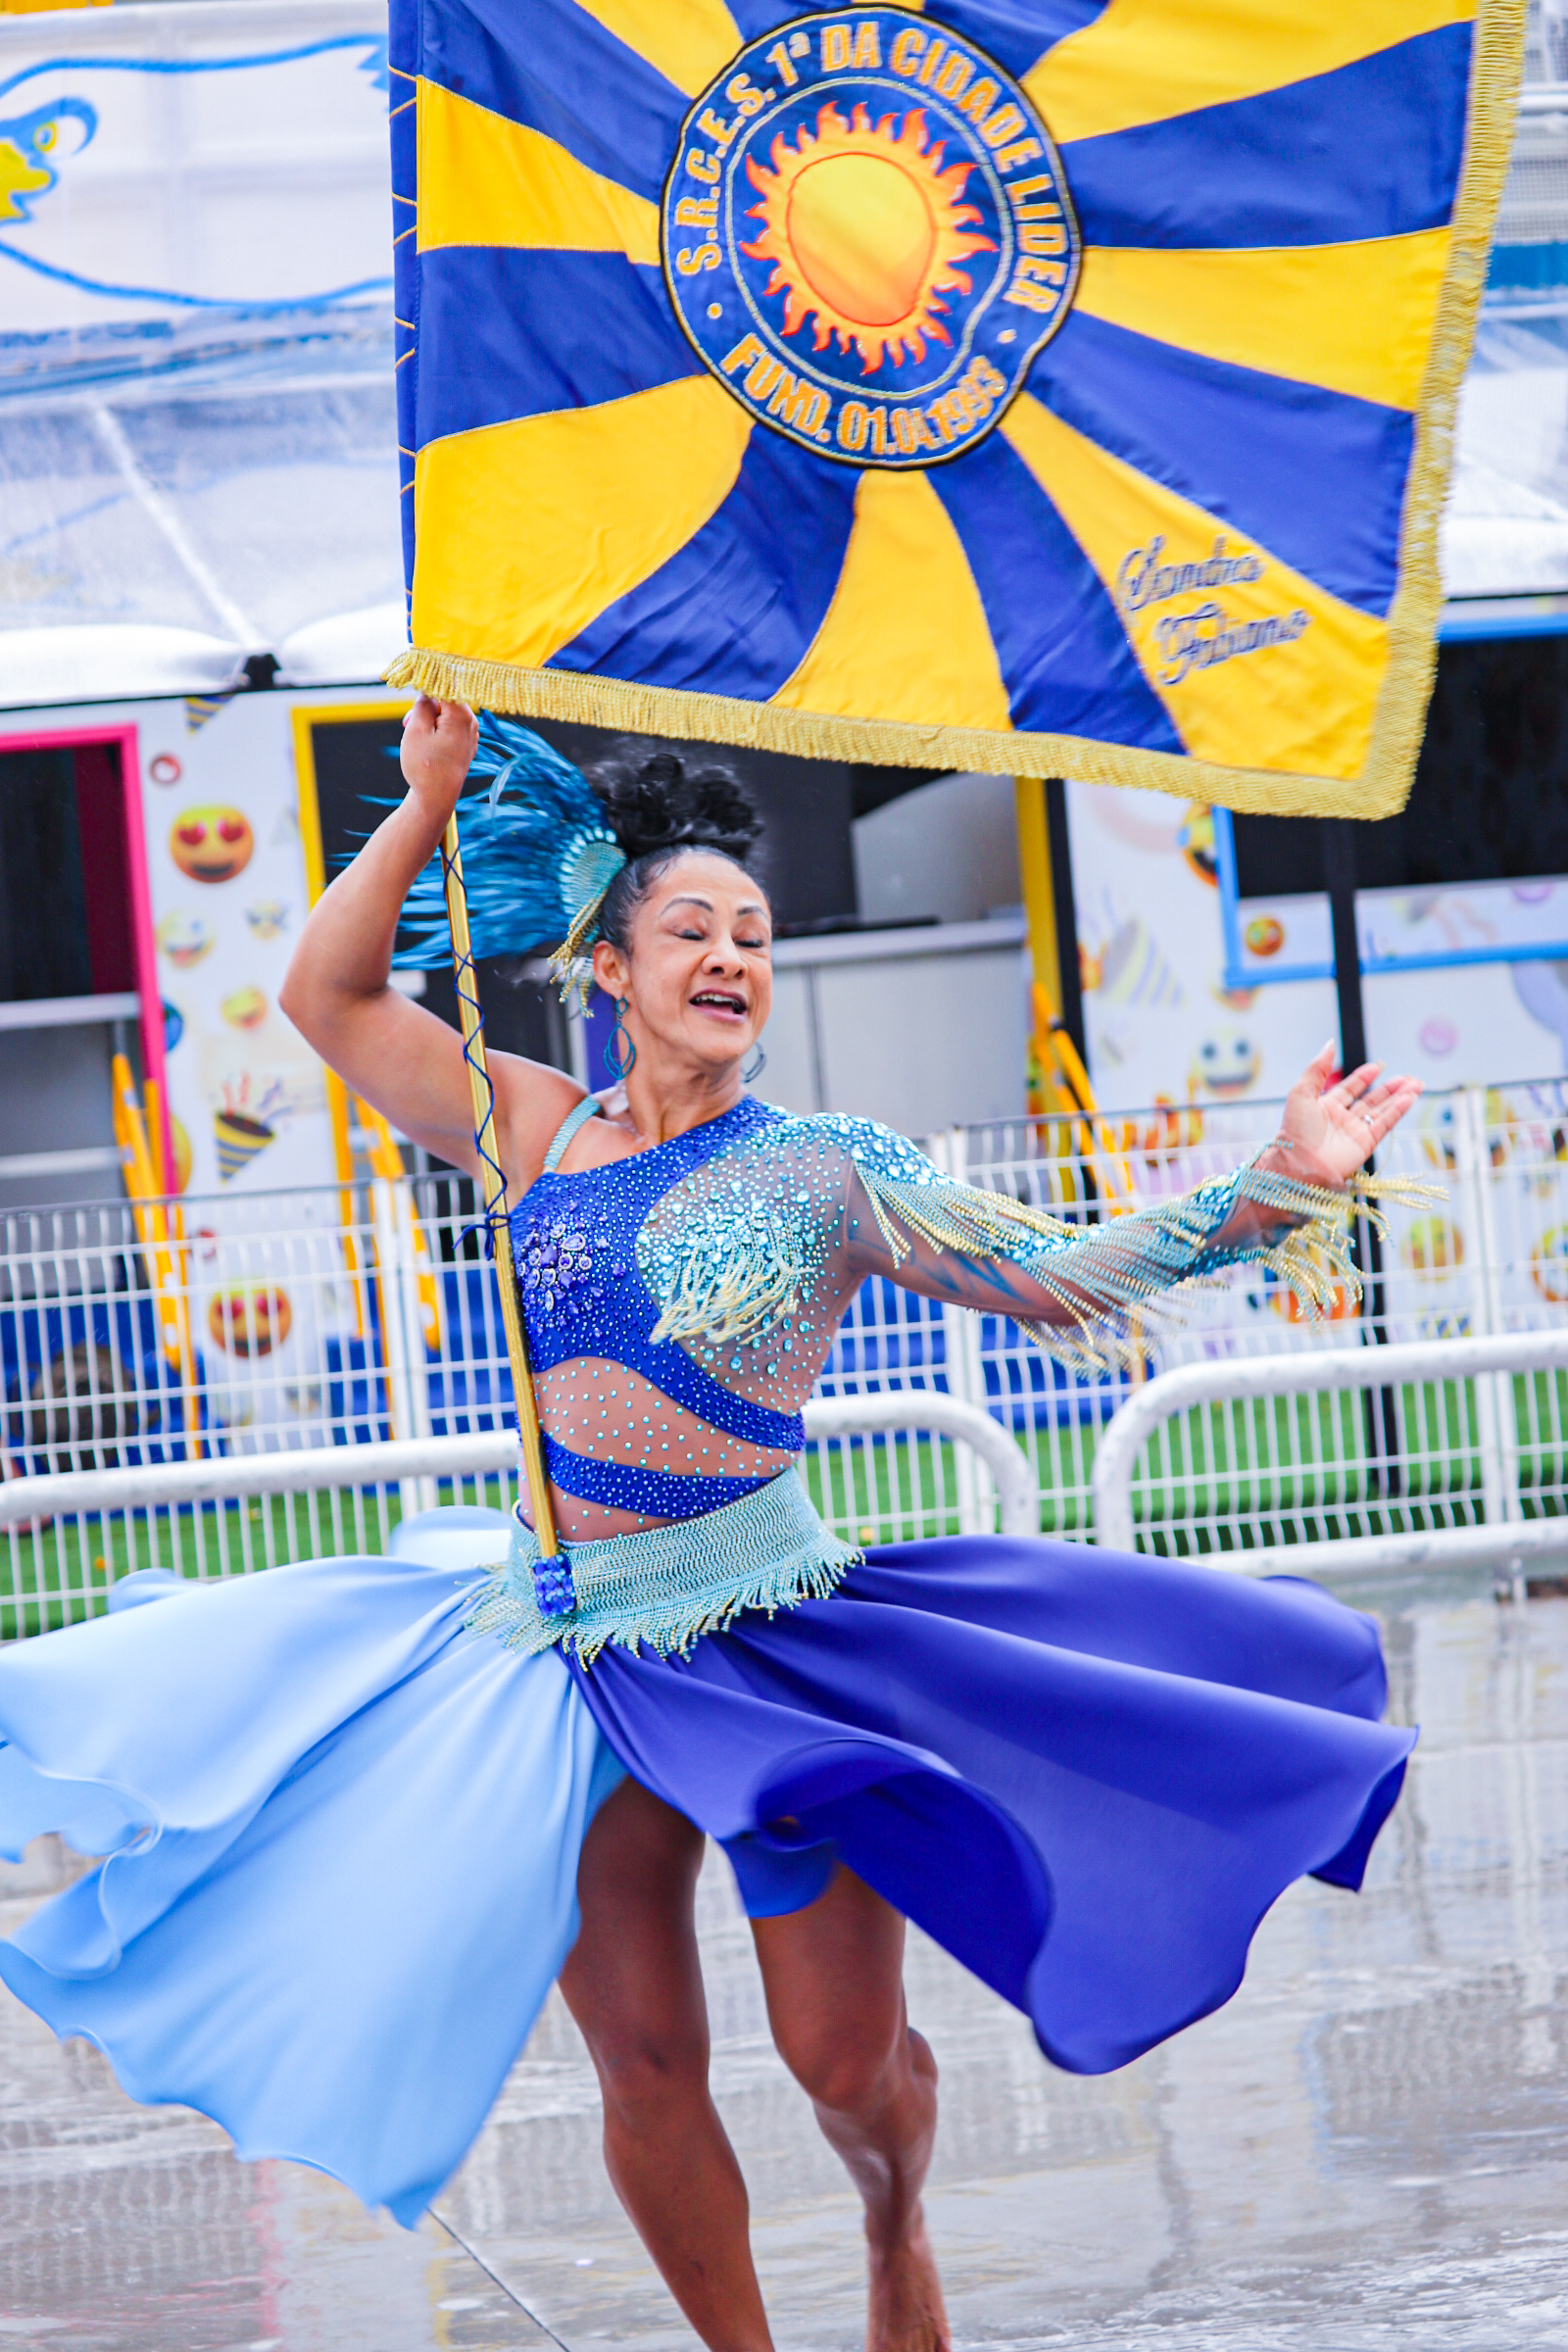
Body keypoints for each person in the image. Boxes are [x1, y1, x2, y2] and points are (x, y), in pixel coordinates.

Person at [0, 697, 1423, 2352]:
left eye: (752, 932)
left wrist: (1274, 1186)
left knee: (842, 2063)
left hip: (770, 1645)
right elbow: (328, 995)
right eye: (689, 929)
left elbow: (1058, 1277)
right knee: (644, 2060)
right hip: (572, 1659)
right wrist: (427, 800)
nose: (731, 953)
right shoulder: (527, 1125)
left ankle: (895, 2224)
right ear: (609, 966)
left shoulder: (827, 1167)